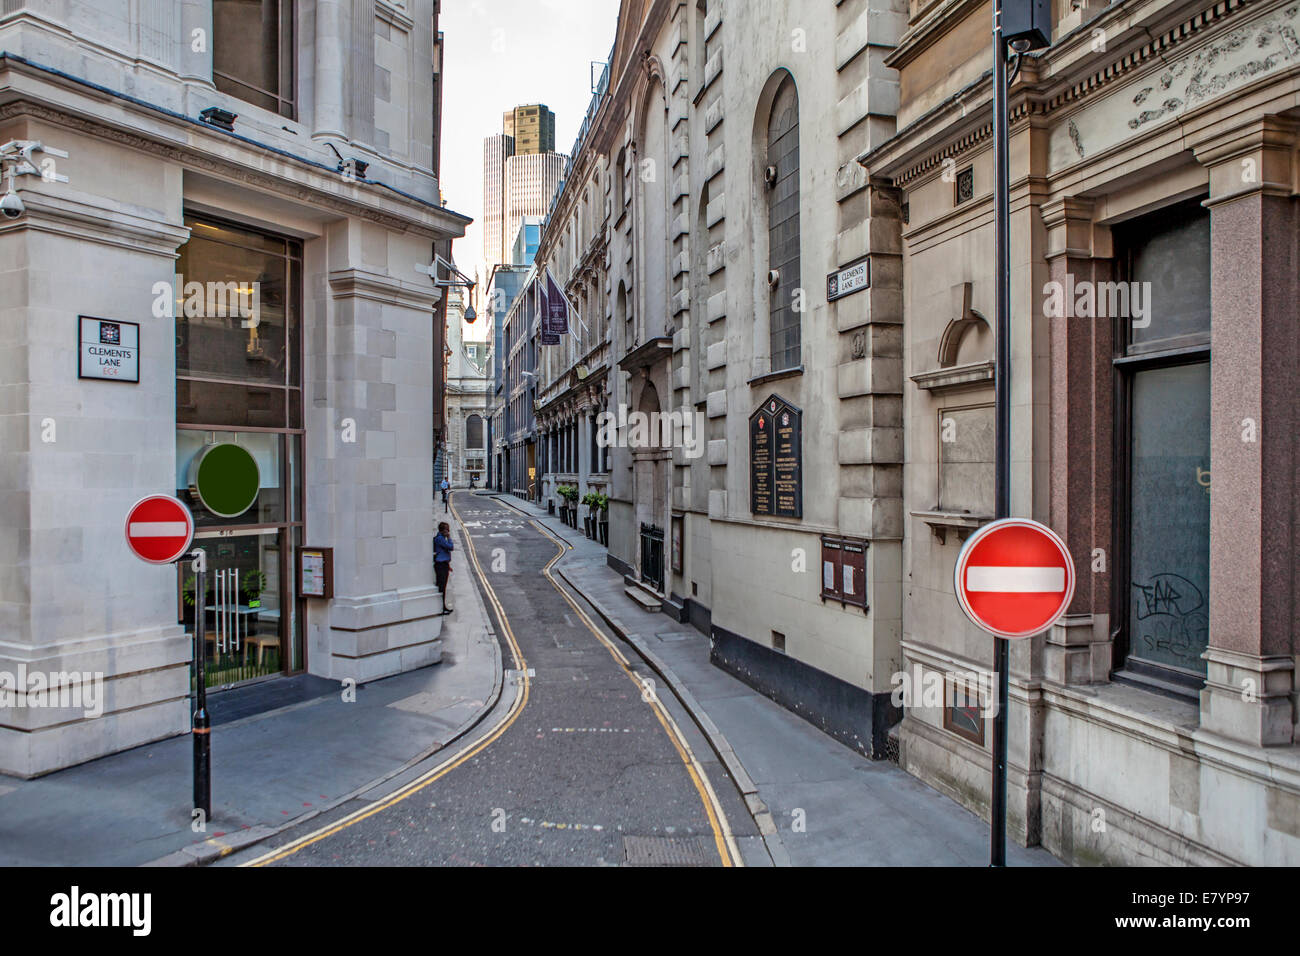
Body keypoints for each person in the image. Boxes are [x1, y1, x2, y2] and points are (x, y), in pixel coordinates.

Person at [434, 521, 454, 613]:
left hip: (444, 564)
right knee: (441, 587)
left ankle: (443, 607)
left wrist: (448, 565)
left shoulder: (441, 538)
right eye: (447, 529)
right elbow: (451, 547)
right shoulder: (440, 539)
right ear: (443, 530)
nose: (448, 531)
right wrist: (449, 538)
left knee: (443, 587)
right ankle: (440, 608)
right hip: (441, 565)